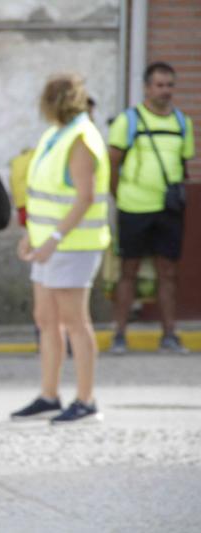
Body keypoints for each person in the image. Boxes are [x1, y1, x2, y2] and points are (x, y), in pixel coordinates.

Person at [11, 74, 110, 424]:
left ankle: (87, 400)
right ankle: (49, 394)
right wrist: (32, 235)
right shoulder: (58, 134)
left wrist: (51, 239)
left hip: (73, 245)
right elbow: (46, 194)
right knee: (46, 320)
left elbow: (84, 197)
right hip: (51, 244)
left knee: (75, 322)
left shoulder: (81, 138)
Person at [107, 61, 195, 355]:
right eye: (159, 85)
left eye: (170, 85)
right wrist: (119, 196)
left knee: (168, 272)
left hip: (168, 211)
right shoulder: (129, 120)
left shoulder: (183, 122)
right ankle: (119, 334)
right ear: (147, 88)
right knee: (128, 270)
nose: (165, 91)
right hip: (134, 208)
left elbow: (184, 167)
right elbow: (113, 163)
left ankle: (169, 334)